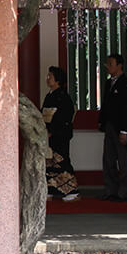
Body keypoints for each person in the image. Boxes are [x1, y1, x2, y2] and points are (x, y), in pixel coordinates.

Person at [98, 53, 127, 202]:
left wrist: (124, 131)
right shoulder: (108, 83)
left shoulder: (126, 85)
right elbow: (105, 105)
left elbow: (126, 110)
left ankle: (124, 192)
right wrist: (101, 121)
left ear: (119, 65)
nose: (108, 67)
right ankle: (110, 190)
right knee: (108, 159)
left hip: (121, 127)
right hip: (109, 126)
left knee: (124, 161)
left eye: (111, 64)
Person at [42, 66, 79, 201]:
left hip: (59, 134)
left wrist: (52, 131)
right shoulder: (49, 96)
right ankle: (51, 190)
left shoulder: (64, 97)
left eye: (50, 76)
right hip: (48, 134)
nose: (47, 78)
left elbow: (64, 118)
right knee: (49, 163)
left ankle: (71, 191)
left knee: (61, 162)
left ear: (57, 80)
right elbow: (44, 113)